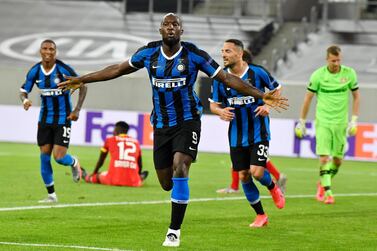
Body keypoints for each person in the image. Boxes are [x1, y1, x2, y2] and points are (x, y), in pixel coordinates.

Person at [58, 13, 288, 247]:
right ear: (160, 30)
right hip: (161, 125)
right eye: (166, 25)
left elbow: (227, 79)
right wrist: (83, 79)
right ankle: (180, 196)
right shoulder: (148, 53)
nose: (171, 28)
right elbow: (117, 69)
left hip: (188, 121)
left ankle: (173, 231)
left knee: (181, 166)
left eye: (175, 25)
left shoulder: (195, 55)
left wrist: (261, 95)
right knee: (166, 182)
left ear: (181, 31)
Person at [209, 39, 286, 228]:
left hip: (259, 131)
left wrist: (268, 105)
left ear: (239, 54)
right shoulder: (220, 78)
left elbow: (277, 89)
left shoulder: (257, 73)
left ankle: (273, 187)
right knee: (243, 175)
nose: (223, 54)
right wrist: (220, 112)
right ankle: (261, 215)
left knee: (257, 172)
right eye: (222, 51)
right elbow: (213, 104)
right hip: (236, 133)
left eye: (227, 51)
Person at [19, 39, 87, 203]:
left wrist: (76, 110)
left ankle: (74, 161)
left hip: (63, 119)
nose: (48, 51)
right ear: (40, 51)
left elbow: (82, 85)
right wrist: (25, 100)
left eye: (51, 49)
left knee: (59, 157)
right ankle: (52, 195)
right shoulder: (35, 71)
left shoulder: (63, 69)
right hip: (44, 119)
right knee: (44, 156)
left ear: (55, 52)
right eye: (45, 48)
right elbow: (23, 90)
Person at [295, 45, 360, 204]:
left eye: (338, 60)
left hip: (341, 123)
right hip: (323, 121)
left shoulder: (349, 73)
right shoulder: (318, 75)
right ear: (327, 59)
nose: (336, 63)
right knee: (324, 159)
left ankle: (323, 181)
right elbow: (308, 99)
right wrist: (301, 122)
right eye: (333, 60)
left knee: (337, 161)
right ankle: (328, 192)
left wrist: (354, 119)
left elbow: (356, 97)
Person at [81, 121, 148, 187]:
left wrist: (94, 173)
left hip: (114, 180)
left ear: (117, 130)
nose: (113, 132)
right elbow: (140, 164)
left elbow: (101, 161)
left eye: (114, 130)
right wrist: (137, 175)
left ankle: (87, 177)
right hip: (134, 182)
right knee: (134, 176)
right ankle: (140, 178)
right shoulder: (136, 142)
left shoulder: (110, 140)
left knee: (99, 175)